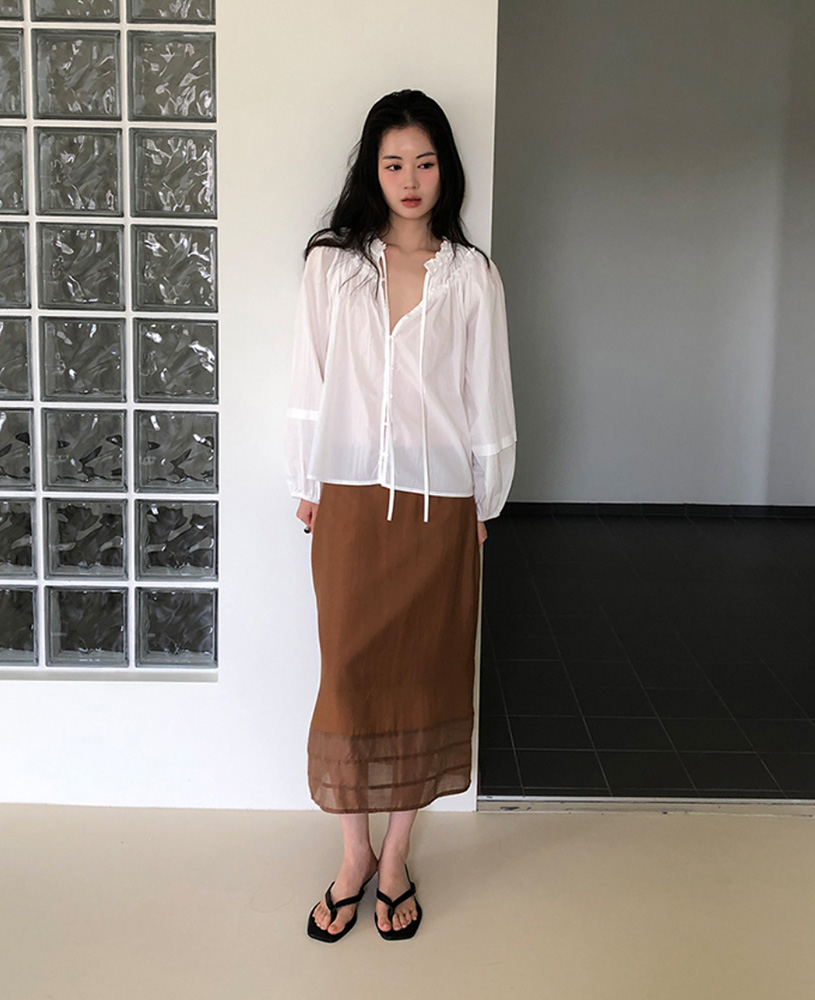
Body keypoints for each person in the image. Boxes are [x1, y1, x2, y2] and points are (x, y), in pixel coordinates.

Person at [284, 89, 517, 943]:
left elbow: (484, 392)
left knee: (426, 677)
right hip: (348, 495)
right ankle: (353, 854)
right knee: (348, 679)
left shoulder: (471, 275)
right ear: (371, 171)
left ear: (444, 169)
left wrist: (482, 496)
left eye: (424, 161)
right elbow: (309, 377)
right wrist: (306, 478)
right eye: (393, 163)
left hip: (438, 503)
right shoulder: (332, 265)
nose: (410, 179)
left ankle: (394, 860)